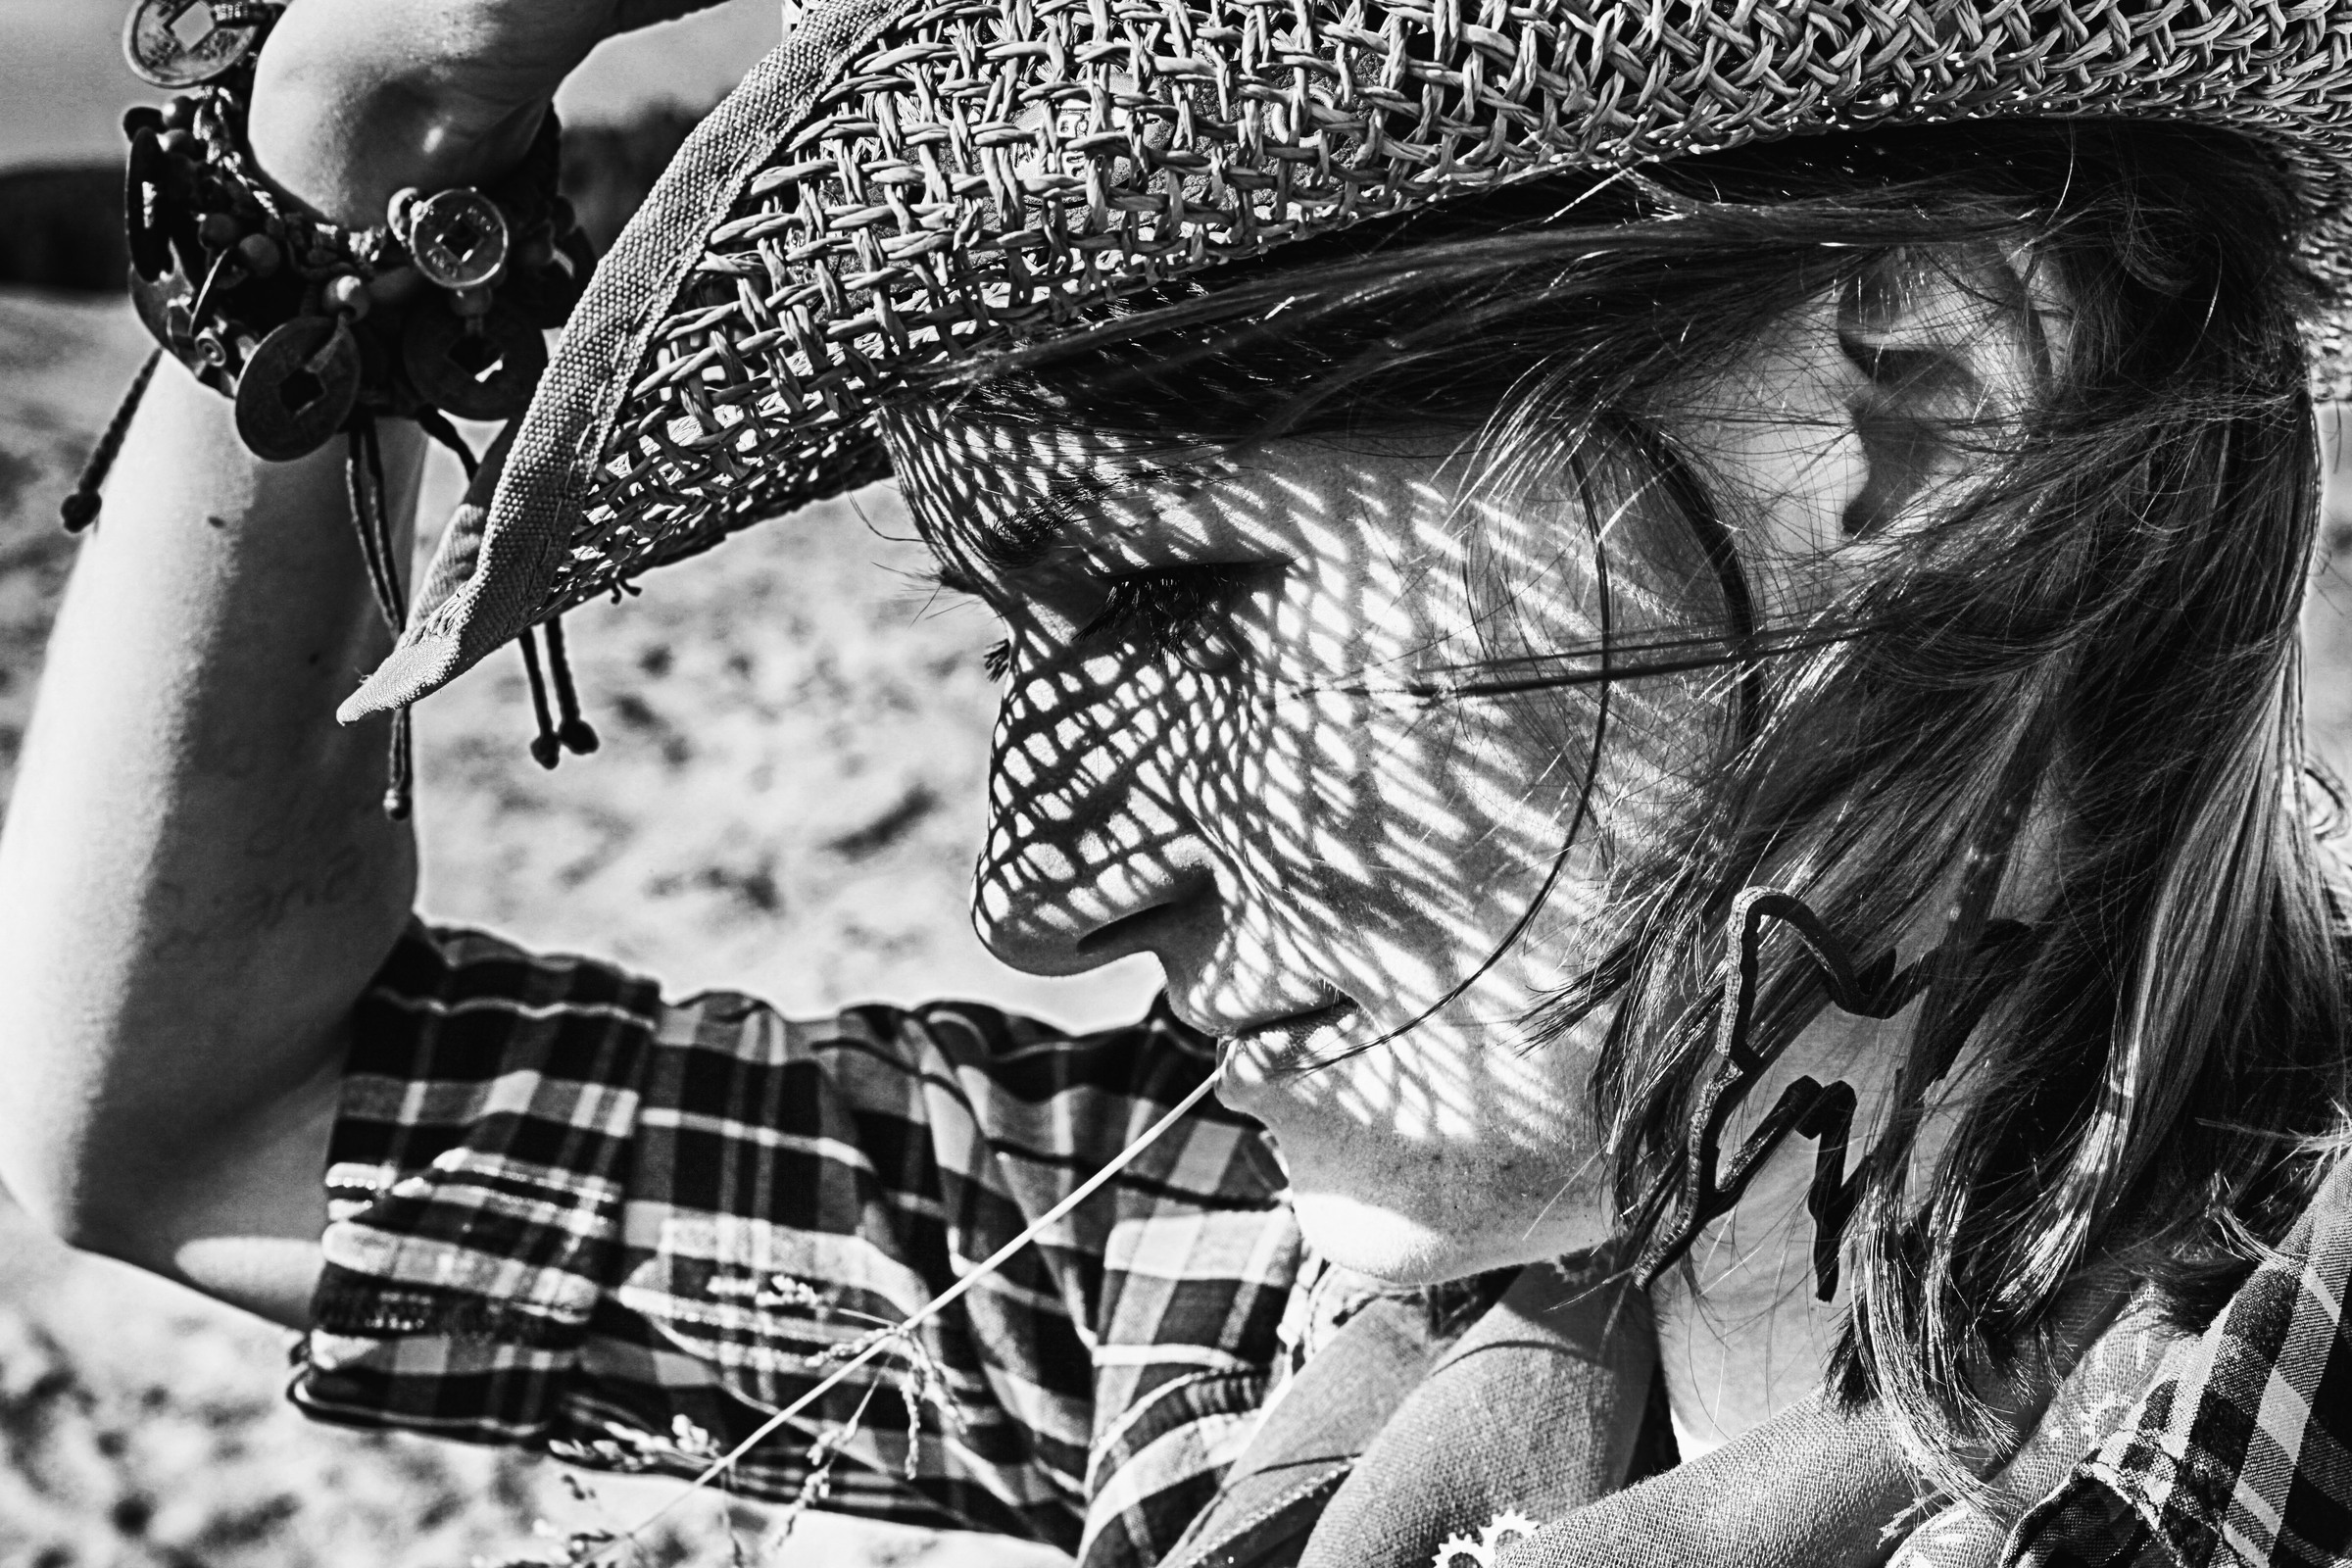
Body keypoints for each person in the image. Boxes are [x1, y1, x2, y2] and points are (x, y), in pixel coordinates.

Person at [5, 0, 2352, 1564]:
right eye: (1015, 634)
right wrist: (336, 158)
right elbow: (215, 1114)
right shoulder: (1242, 1287)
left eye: (1171, 601)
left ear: (1919, 401)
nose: (1046, 892)